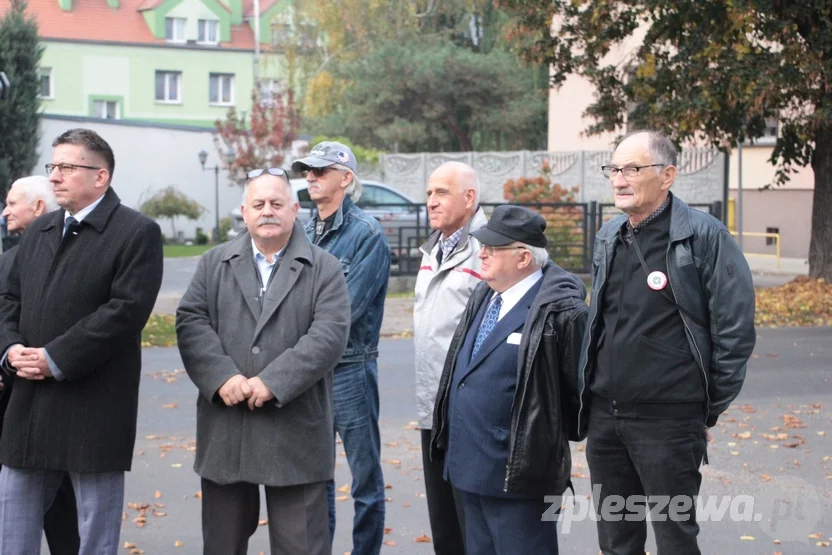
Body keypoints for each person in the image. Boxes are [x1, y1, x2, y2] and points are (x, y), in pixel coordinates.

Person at [578, 130, 756, 553]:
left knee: (675, 540)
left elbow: (735, 332)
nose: (619, 179)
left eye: (633, 169)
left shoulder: (704, 237)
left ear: (668, 175)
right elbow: (598, 323)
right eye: (614, 169)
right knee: (616, 540)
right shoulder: (609, 236)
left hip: (669, 422)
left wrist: (702, 407)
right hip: (607, 418)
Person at [0, 128, 164, 554]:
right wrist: (9, 348)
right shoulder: (40, 231)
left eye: (67, 167)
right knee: (12, 533)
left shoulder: (136, 232)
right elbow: (8, 298)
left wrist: (55, 358)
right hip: (29, 409)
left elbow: (125, 312)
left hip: (94, 409)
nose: (54, 176)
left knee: (93, 538)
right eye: (52, 166)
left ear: (101, 176)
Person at [176, 167, 350, 555]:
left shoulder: (325, 268)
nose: (267, 211)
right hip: (227, 426)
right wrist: (222, 378)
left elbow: (330, 335)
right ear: (244, 211)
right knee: (222, 545)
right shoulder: (212, 263)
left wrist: (272, 381)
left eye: (276, 203)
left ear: (295, 209)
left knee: (301, 546)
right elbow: (191, 321)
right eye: (258, 204)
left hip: (296, 432)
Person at [430, 205, 588, 554]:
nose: (482, 253)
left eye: (493, 247)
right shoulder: (485, 294)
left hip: (518, 476)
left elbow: (578, 395)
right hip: (470, 468)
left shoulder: (559, 310)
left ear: (523, 258)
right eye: (482, 244)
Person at [291, 141, 390, 555]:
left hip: (350, 368)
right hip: (310, 370)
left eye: (320, 170)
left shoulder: (367, 234)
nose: (310, 177)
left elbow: (343, 311)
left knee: (364, 478)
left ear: (346, 179)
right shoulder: (302, 230)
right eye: (307, 171)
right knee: (317, 478)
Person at [0, 175, 80, 555]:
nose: (5, 211)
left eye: (12, 203)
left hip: (59, 398)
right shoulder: (9, 260)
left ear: (37, 207)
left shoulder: (75, 259)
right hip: (12, 398)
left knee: (62, 506)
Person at [414, 161, 487, 554]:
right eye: (429, 193)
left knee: (472, 528)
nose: (431, 201)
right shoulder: (433, 248)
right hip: (432, 413)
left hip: (467, 414)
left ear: (469, 198)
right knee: (443, 528)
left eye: (441, 192)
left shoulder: (491, 249)